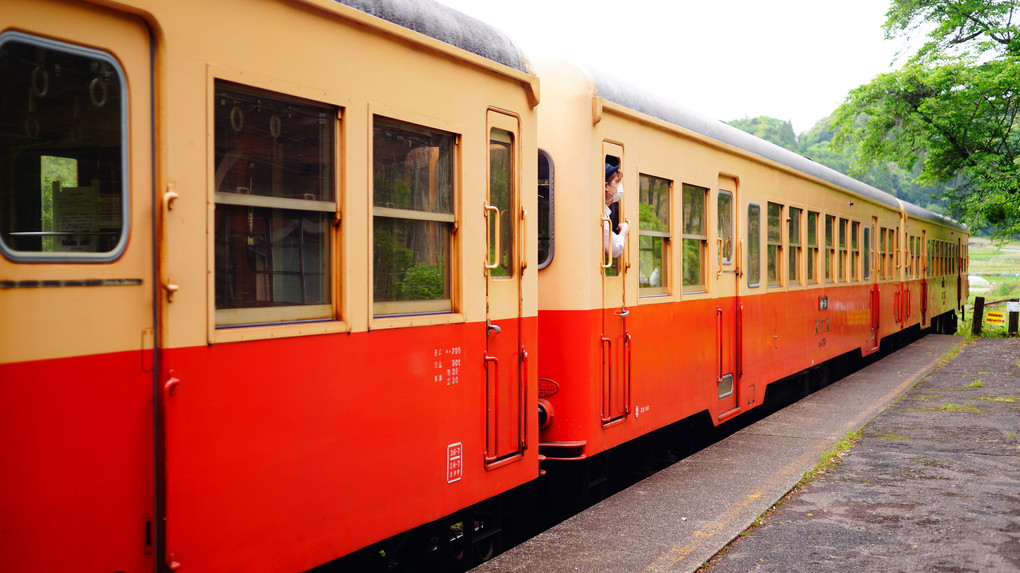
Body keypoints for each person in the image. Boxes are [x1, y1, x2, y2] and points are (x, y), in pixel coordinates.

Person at [603, 163, 629, 258]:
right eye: (617, 183)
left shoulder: (605, 213)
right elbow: (613, 249)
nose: (620, 187)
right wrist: (624, 231)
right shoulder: (601, 214)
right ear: (606, 186)